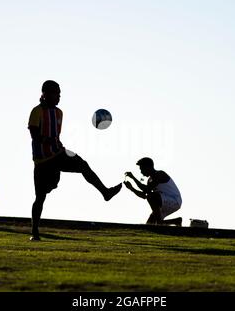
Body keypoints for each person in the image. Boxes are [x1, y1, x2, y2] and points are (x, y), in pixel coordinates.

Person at [28, 80, 122, 241]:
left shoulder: (59, 113)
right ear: (45, 94)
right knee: (41, 197)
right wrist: (46, 140)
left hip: (59, 154)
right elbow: (34, 135)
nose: (59, 96)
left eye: (59, 93)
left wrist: (56, 145)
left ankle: (105, 192)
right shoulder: (36, 111)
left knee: (83, 165)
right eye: (56, 93)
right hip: (42, 161)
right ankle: (34, 232)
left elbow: (56, 135)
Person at [124, 157, 182, 226]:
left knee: (152, 197)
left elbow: (146, 190)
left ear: (148, 167)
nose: (141, 172)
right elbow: (143, 195)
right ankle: (176, 221)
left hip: (174, 201)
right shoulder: (149, 180)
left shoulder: (160, 174)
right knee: (149, 225)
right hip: (163, 202)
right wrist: (131, 188)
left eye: (142, 169)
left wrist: (133, 177)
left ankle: (160, 222)